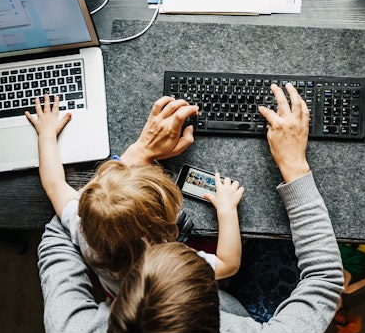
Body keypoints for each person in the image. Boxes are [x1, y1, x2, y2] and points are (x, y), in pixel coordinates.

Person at [36, 83, 344, 333]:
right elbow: (326, 280)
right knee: (276, 253)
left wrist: (134, 159)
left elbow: (59, 235)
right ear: (220, 327)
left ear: (110, 321)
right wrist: (294, 165)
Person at [26, 95, 244, 296]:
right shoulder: (172, 263)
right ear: (167, 229)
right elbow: (228, 264)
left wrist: (46, 135)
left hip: (118, 292)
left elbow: (54, 184)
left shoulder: (82, 226)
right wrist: (227, 210)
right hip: (164, 291)